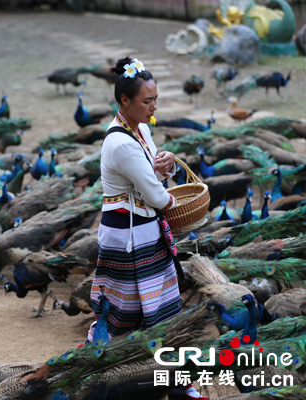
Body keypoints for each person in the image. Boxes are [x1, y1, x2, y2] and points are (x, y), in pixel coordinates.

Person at [87, 56, 207, 400]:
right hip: (128, 237)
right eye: (146, 101)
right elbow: (155, 195)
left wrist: (165, 163)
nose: (153, 107)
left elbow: (151, 176)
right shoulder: (121, 142)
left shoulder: (141, 129)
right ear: (124, 101)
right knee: (125, 315)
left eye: (155, 99)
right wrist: (175, 201)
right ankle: (97, 374)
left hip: (143, 231)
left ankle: (177, 385)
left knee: (157, 311)